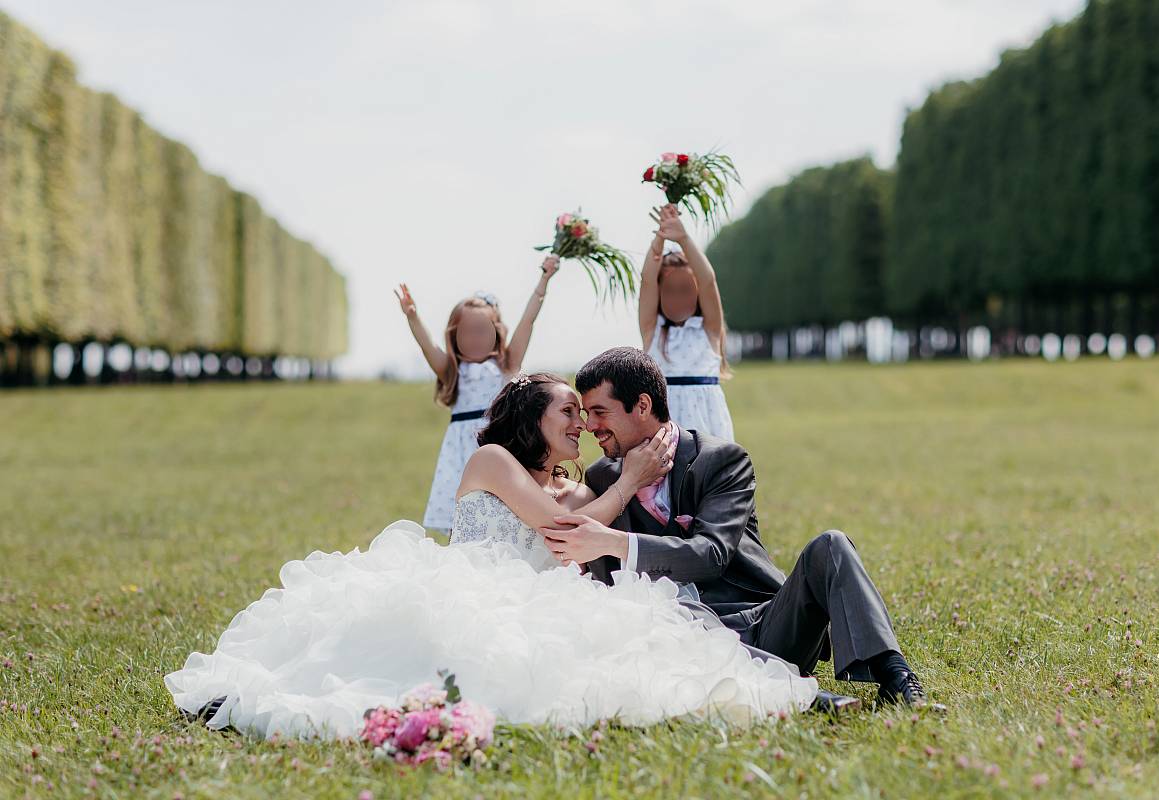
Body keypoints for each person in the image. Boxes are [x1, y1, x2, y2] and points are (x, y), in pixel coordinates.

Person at [165, 373, 818, 739]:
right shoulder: (493, 461)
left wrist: (620, 486)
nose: (582, 426)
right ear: (533, 418)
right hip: (470, 590)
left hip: (537, 601)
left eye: (586, 415)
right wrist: (625, 483)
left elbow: (582, 537)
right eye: (569, 412)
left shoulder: (576, 490)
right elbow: (560, 529)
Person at [541, 347, 938, 709]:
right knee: (667, 608)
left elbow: (711, 555)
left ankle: (896, 678)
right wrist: (627, 486)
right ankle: (804, 695)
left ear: (642, 405)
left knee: (832, 545)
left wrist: (616, 541)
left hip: (764, 624)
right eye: (587, 413)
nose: (590, 425)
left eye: (600, 412)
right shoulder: (604, 477)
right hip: (682, 640)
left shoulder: (720, 460)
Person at [394, 256, 558, 532]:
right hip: (460, 456)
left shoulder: (507, 364)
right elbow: (427, 346)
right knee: (462, 514)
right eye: (467, 332)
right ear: (454, 335)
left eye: (482, 331)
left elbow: (527, 321)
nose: (474, 338)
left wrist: (543, 280)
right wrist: (413, 316)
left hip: (500, 446)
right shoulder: (452, 370)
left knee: (506, 510)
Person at [639, 204, 735, 440]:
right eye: (669, 291)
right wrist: (660, 239)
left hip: (709, 432)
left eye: (685, 290)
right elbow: (647, 280)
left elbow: (708, 280)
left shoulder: (709, 331)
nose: (678, 298)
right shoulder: (653, 330)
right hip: (663, 434)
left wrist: (683, 238)